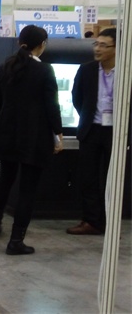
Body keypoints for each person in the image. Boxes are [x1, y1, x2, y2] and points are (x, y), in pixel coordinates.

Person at [0, 25, 63, 255]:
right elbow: (52, 105)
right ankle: (16, 241)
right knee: (27, 190)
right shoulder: (45, 70)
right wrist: (58, 133)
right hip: (35, 137)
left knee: (5, 179)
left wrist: (9, 119)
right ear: (42, 45)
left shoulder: (6, 66)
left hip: (8, 133)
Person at [67, 28, 117, 236]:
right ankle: (92, 221)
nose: (97, 49)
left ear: (117, 49)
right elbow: (77, 97)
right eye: (96, 44)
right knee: (88, 177)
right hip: (91, 130)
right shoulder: (86, 70)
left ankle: (112, 221)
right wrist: (87, 117)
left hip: (116, 132)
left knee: (113, 178)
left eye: (103, 45)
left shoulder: (126, 71)